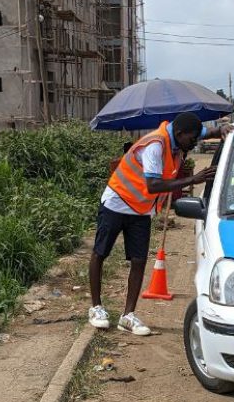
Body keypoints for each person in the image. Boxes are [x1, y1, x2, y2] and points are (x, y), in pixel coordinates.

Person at [89, 113, 217, 335]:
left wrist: (223, 130)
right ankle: (96, 307)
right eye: (192, 139)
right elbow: (153, 185)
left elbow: (205, 132)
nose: (195, 142)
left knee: (138, 260)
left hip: (140, 209)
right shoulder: (155, 146)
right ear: (179, 134)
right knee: (100, 253)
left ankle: (128, 316)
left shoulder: (181, 136)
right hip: (117, 202)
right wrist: (193, 179)